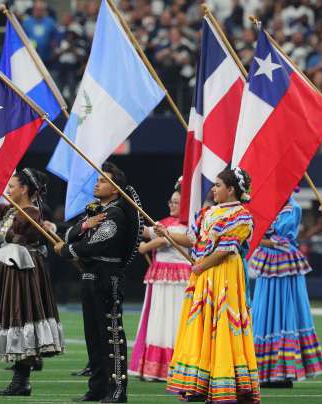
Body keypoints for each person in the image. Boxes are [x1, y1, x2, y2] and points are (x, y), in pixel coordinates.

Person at [164, 167, 260, 403]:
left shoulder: (242, 216)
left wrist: (201, 266)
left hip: (225, 275)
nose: (213, 189)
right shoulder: (208, 212)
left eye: (218, 185)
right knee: (202, 324)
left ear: (231, 189)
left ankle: (227, 384)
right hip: (206, 275)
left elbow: (227, 249)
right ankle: (199, 385)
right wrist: (165, 232)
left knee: (224, 325)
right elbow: (191, 238)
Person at [54, 162, 144, 403]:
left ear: (115, 188)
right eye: (98, 179)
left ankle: (117, 389)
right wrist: (84, 225)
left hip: (107, 278)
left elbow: (97, 243)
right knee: (93, 336)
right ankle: (97, 387)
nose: (97, 183)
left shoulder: (115, 213)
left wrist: (67, 251)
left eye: (103, 180)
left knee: (111, 334)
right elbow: (70, 232)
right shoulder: (94, 211)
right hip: (89, 277)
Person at [0, 168, 64, 396]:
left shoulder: (30, 213)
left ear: (24, 189)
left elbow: (18, 245)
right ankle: (20, 379)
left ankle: (22, 380)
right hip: (11, 271)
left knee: (22, 317)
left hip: (24, 272)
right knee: (15, 319)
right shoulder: (13, 211)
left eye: (11, 187)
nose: (8, 191)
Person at [249, 196, 322, 388]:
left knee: (284, 313)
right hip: (268, 263)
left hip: (284, 264)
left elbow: (281, 240)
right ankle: (263, 370)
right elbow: (258, 235)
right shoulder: (266, 204)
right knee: (264, 312)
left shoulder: (294, 208)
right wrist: (259, 237)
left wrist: (259, 238)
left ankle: (282, 371)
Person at [129, 178, 191, 382]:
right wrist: (131, 222)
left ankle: (176, 364)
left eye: (176, 202)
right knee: (158, 317)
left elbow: (166, 239)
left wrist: (147, 246)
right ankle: (154, 367)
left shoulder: (189, 225)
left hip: (180, 279)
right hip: (160, 276)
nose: (171, 205)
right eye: (170, 202)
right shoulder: (163, 223)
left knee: (175, 318)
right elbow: (146, 231)